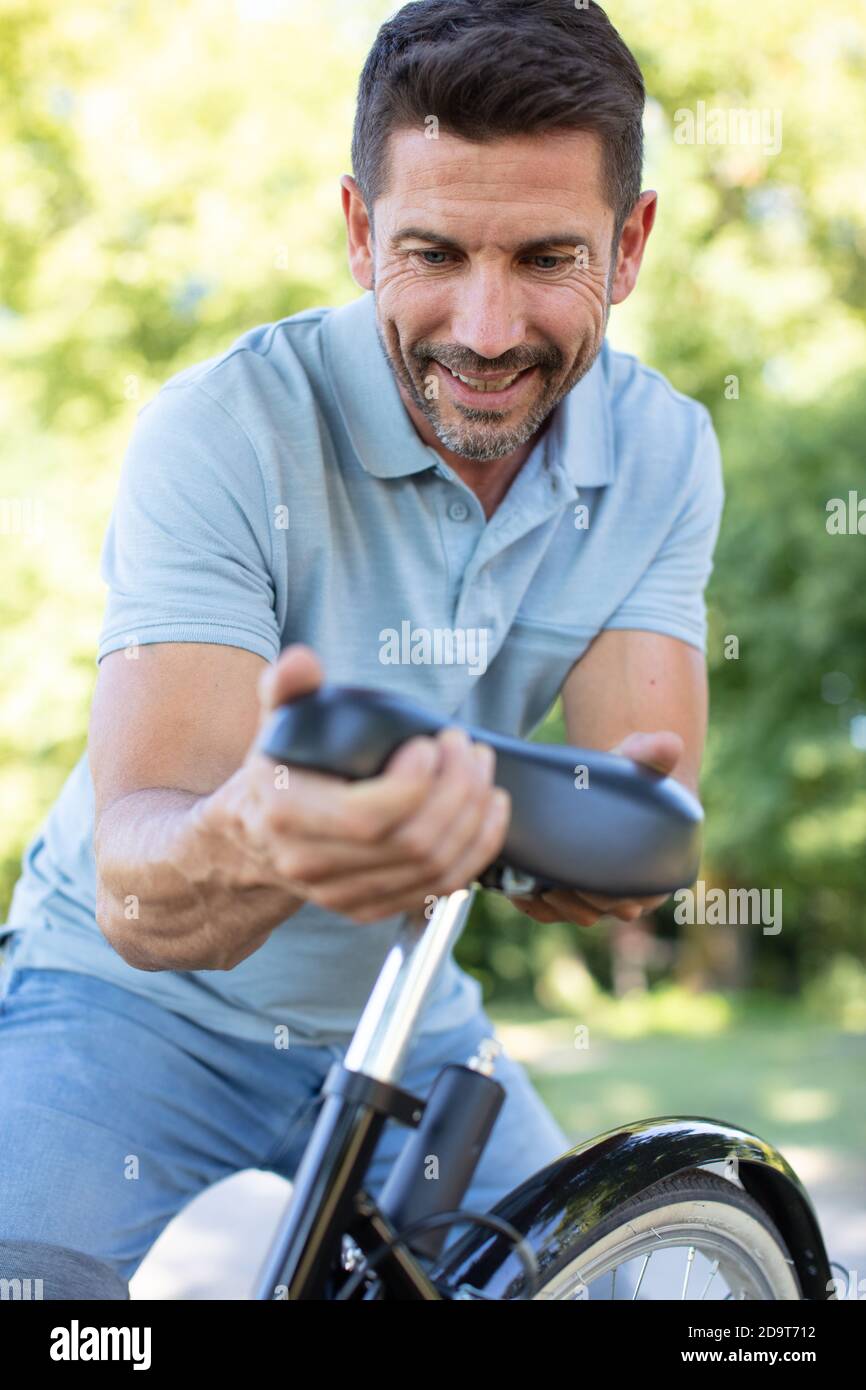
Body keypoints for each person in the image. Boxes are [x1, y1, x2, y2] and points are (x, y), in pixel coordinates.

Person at [0, 0, 723, 1298]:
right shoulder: (223, 430)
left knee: (618, 1288)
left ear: (629, 245)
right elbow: (137, 885)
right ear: (355, 232)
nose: (487, 330)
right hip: (126, 1004)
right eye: (433, 252)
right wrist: (273, 827)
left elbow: (636, 816)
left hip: (404, 1000)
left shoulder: (665, 454)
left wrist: (596, 851)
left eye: (546, 256)